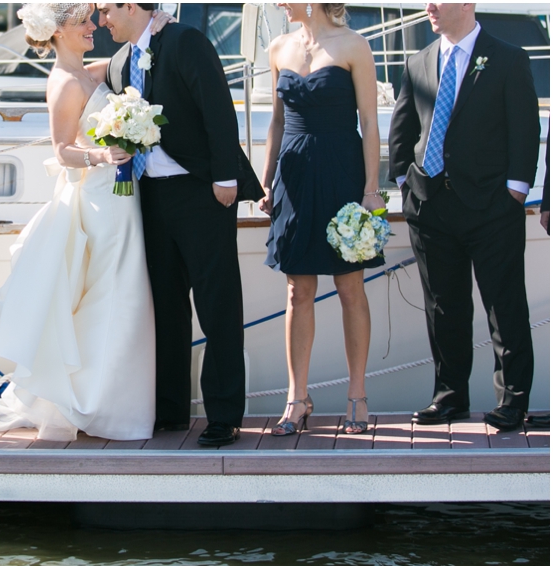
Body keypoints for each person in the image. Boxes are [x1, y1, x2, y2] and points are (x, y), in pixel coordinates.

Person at [0, 4, 172, 442]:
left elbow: (136, 56)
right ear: (58, 32)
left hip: (122, 199)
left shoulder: (91, 72)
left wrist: (157, 26)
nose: (93, 27)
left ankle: (111, 400)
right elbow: (62, 149)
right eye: (82, 22)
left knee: (123, 295)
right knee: (111, 295)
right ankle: (92, 404)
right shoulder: (63, 83)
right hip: (99, 201)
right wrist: (103, 154)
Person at [97, 2, 263, 446]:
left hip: (201, 190)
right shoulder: (118, 62)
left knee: (217, 305)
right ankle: (169, 409)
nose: (101, 20)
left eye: (106, 10)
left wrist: (225, 177)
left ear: (131, 6)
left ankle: (224, 415)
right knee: (166, 306)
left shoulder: (185, 40)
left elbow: (217, 106)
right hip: (150, 198)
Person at [388, 3, 540, 432]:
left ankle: (512, 402)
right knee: (443, 308)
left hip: (492, 206)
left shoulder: (509, 58)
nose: (429, 7)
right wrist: (405, 184)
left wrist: (515, 191)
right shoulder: (418, 62)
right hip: (430, 205)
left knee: (503, 306)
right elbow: (402, 130)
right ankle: (449, 397)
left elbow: (525, 129)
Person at [258, 3, 383, 436]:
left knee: (350, 286)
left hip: (342, 172)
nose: (278, 4)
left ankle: (357, 395)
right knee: (298, 290)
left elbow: (369, 121)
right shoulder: (278, 47)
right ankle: (297, 398)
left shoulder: (354, 45)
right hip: (293, 174)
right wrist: (268, 179)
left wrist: (371, 190)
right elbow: (276, 120)